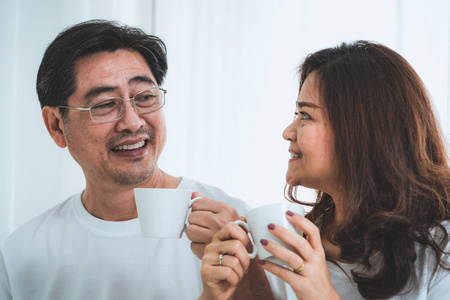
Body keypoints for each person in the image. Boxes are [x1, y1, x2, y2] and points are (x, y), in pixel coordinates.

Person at [0, 19, 277, 300]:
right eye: (105, 104)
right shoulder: (20, 255)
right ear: (57, 126)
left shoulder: (238, 226)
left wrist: (246, 272)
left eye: (145, 97)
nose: (132, 122)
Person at [200, 40, 450, 299]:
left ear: (360, 132)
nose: (288, 132)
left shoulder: (442, 248)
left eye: (305, 115)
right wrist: (244, 276)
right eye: (296, 114)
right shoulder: (297, 241)